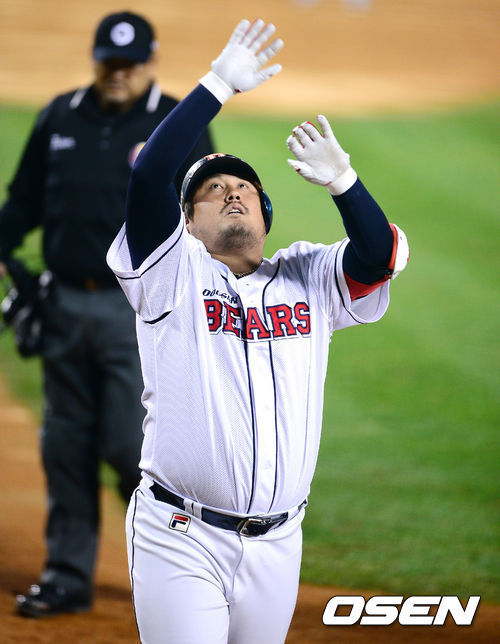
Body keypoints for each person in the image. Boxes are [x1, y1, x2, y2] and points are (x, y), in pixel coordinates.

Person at [107, 18, 409, 644]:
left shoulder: (309, 275)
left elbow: (378, 256)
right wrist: (218, 84)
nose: (232, 193)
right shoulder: (171, 274)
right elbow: (149, 177)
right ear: (187, 223)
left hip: (279, 543)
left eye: (243, 186)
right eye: (211, 190)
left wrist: (345, 184)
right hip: (181, 537)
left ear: (265, 214)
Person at [0, 11, 214, 618]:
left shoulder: (177, 123)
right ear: (96, 60)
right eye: (109, 62)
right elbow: (23, 201)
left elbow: (201, 220)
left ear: (150, 61)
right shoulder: (60, 116)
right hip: (64, 304)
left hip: (138, 314)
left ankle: (180, 562)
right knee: (65, 444)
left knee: (129, 444)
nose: (118, 73)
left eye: (130, 63)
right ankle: (67, 575)